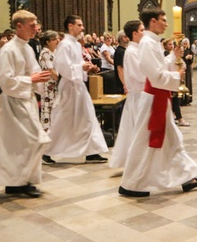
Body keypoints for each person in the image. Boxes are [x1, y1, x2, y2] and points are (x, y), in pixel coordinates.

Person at [118, 8, 197, 197]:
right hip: (153, 100)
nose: (166, 24)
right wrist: (175, 75)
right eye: (163, 20)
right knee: (145, 142)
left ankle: (187, 177)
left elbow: (157, 68)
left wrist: (172, 58)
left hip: (158, 98)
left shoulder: (151, 42)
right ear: (153, 22)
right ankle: (130, 184)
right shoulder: (147, 44)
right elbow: (154, 75)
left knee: (172, 140)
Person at [0, 10, 51, 198]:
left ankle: (22, 181)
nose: (36, 28)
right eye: (32, 25)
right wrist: (31, 79)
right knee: (29, 141)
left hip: (27, 99)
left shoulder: (27, 47)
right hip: (14, 102)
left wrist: (41, 82)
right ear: (19, 26)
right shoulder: (9, 49)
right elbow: (5, 81)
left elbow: (34, 72)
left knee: (27, 143)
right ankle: (15, 182)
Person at [44, 15, 108, 164]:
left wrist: (88, 68)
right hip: (69, 87)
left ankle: (92, 152)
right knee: (62, 119)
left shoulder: (76, 44)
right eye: (79, 25)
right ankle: (46, 150)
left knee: (88, 118)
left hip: (78, 85)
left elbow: (76, 64)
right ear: (70, 26)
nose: (82, 28)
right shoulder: (64, 44)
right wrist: (81, 67)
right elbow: (62, 67)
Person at [111, 21, 145, 169]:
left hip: (140, 95)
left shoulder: (136, 50)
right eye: (142, 30)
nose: (145, 33)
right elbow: (139, 74)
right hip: (138, 95)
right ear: (134, 34)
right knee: (135, 130)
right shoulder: (131, 52)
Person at [162, 39, 189, 127]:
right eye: (180, 51)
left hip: (176, 83)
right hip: (168, 84)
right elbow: (164, 72)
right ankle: (179, 118)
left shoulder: (180, 59)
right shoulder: (168, 60)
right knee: (174, 101)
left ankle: (176, 116)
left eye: (183, 51)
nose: (182, 53)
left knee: (175, 101)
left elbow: (183, 66)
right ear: (176, 49)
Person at [38, 30, 59, 133]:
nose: (57, 41)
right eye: (54, 39)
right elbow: (50, 70)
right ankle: (47, 132)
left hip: (54, 86)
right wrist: (60, 79)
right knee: (48, 109)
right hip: (48, 85)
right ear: (47, 42)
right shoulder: (45, 53)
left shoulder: (53, 52)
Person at [180, 38, 193, 103]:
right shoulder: (181, 51)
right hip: (182, 68)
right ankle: (182, 99)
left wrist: (190, 58)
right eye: (184, 44)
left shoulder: (189, 51)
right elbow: (180, 59)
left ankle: (188, 99)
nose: (185, 45)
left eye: (186, 44)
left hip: (188, 68)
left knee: (188, 82)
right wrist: (185, 58)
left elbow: (191, 61)